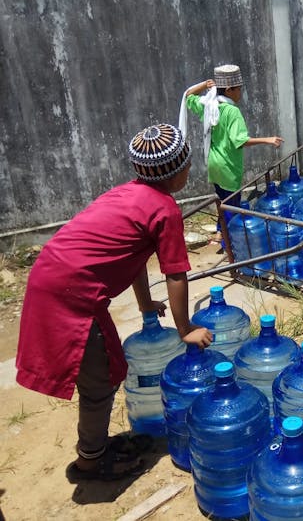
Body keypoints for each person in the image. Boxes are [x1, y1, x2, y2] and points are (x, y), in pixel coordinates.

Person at [15, 123, 213, 481]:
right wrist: (185, 328)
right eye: (186, 162)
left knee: (108, 367)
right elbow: (176, 272)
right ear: (179, 169)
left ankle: (98, 447)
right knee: (100, 380)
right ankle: (90, 461)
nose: (189, 168)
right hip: (70, 294)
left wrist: (145, 303)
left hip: (54, 276)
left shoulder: (127, 193)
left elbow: (136, 257)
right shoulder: (165, 209)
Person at [183, 64, 283, 242]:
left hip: (214, 164)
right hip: (229, 166)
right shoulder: (231, 111)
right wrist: (267, 139)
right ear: (229, 90)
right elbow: (240, 140)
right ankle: (230, 244)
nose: (240, 93)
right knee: (232, 207)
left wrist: (205, 85)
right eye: (238, 89)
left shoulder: (210, 106)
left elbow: (188, 96)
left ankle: (220, 232)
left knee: (222, 200)